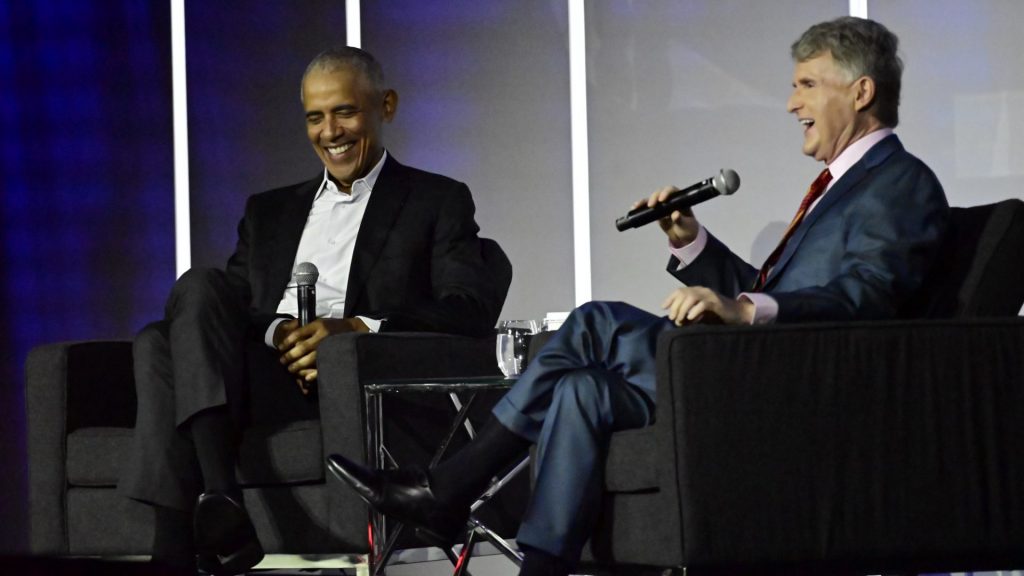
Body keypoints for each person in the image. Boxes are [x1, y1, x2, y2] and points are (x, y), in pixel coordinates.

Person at [328, 16, 950, 576]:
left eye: (807, 85)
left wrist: (745, 309)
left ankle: (447, 489)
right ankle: (541, 567)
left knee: (594, 324)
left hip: (790, 387)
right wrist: (693, 243)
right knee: (580, 389)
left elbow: (865, 299)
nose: (791, 103)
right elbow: (774, 295)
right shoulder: (842, 187)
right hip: (750, 366)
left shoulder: (900, 183)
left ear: (861, 91)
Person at [119, 47, 501, 575]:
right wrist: (280, 333)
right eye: (315, 117)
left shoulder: (436, 200)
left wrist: (355, 330)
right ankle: (221, 496)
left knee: (156, 346)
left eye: (345, 112)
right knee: (192, 297)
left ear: (385, 106)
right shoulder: (268, 211)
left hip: (345, 384)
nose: (331, 132)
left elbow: (468, 309)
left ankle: (179, 546)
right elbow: (230, 311)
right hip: (256, 375)